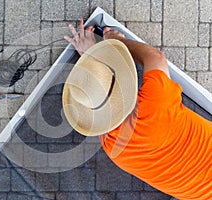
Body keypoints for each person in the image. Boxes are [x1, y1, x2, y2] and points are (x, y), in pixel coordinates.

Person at [62, 19, 212, 200]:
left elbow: (106, 101)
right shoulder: (156, 102)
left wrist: (93, 59)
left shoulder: (112, 146)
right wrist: (114, 41)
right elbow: (155, 57)